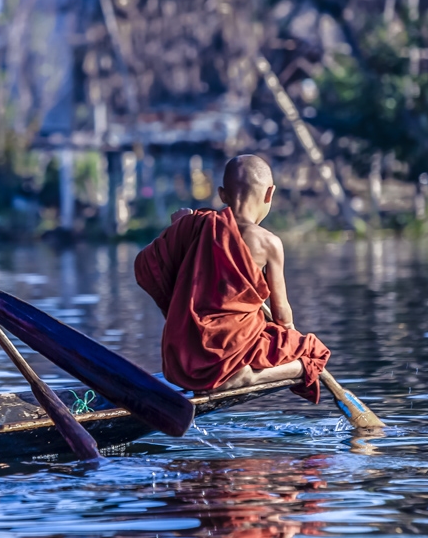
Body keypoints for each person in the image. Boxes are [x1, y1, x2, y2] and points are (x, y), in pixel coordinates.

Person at [134, 154, 330, 402]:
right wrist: (292, 341)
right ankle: (255, 375)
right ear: (269, 194)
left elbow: (147, 266)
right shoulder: (268, 243)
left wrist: (177, 228)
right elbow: (281, 315)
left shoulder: (196, 226)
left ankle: (230, 372)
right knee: (315, 351)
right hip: (230, 354)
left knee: (272, 336)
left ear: (222, 195)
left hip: (183, 358)